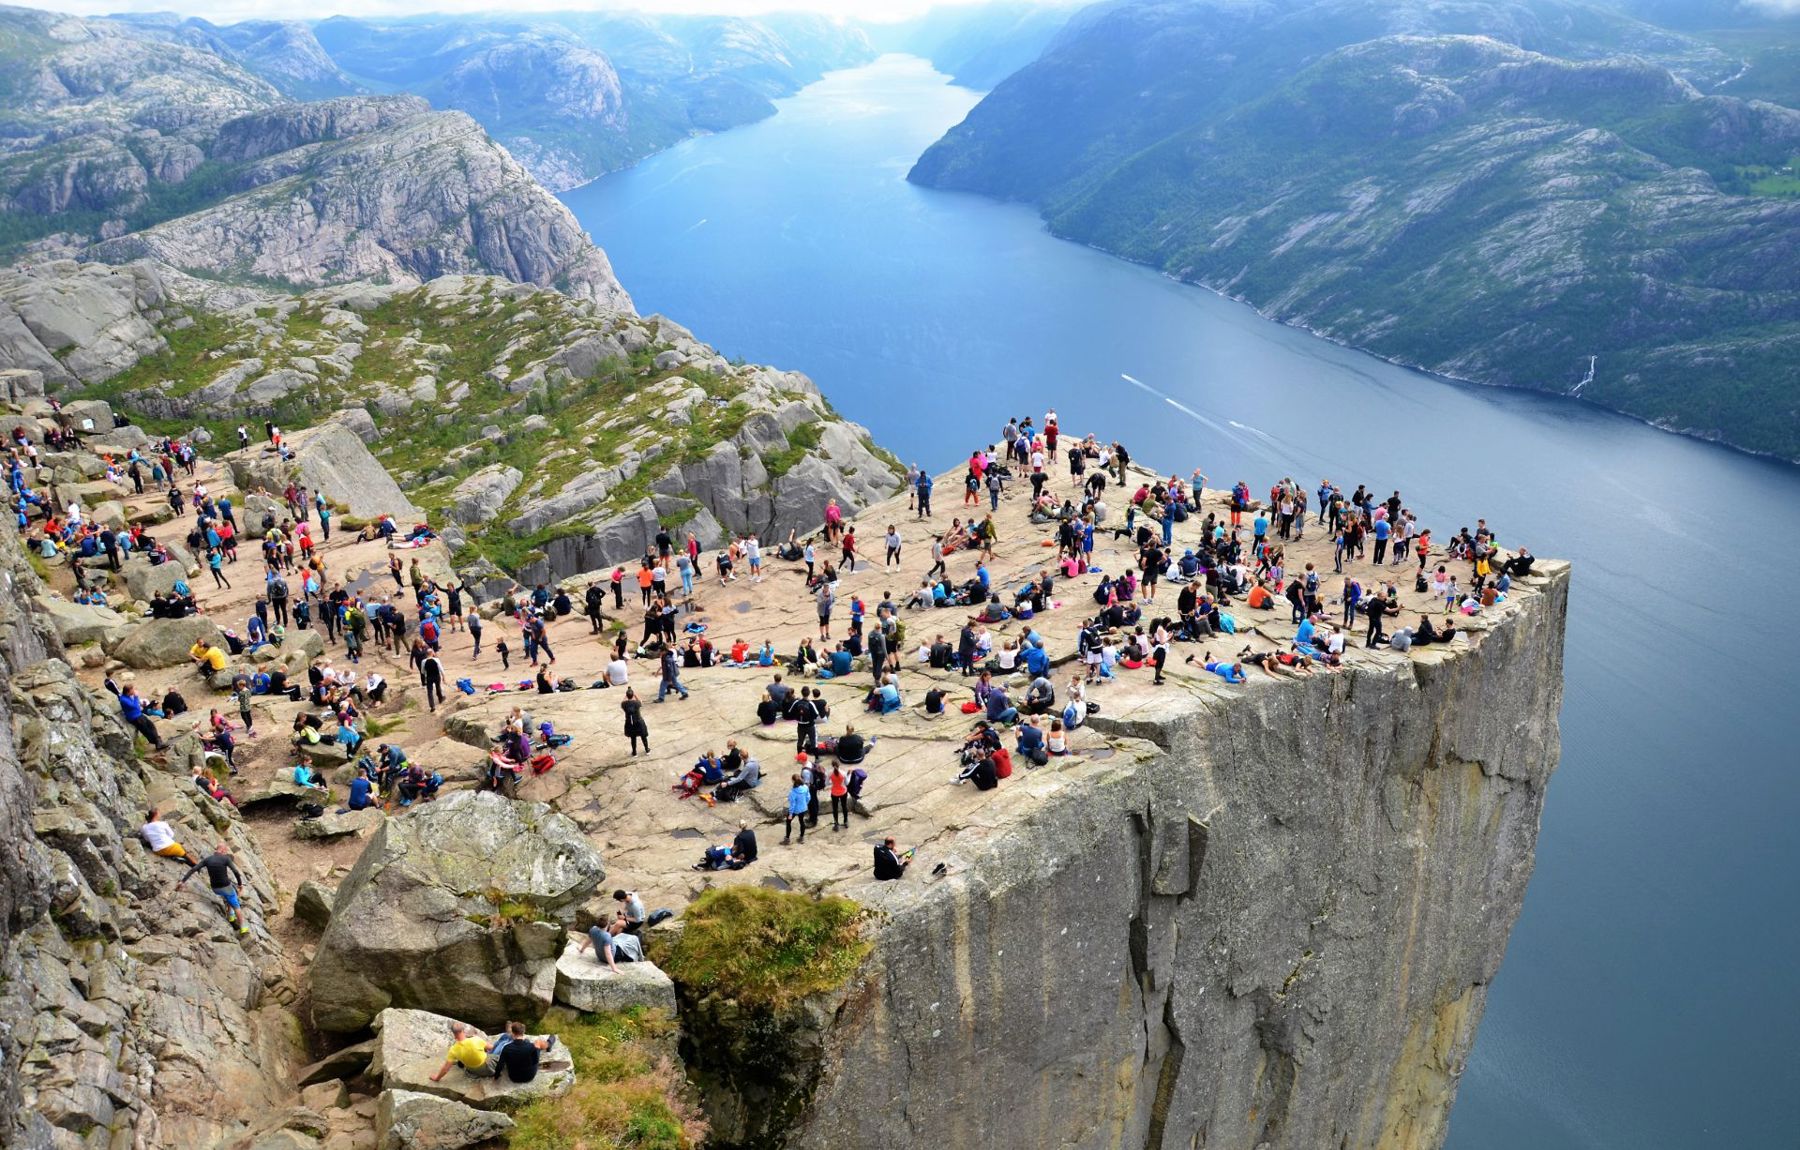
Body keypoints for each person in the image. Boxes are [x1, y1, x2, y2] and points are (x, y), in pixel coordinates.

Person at [172, 843, 250, 934]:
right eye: (225, 851)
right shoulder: (225, 858)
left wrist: (182, 881)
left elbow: (194, 869)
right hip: (226, 886)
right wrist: (240, 884)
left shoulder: (207, 860)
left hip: (215, 888)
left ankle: (231, 915)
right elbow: (236, 872)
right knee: (235, 903)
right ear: (223, 850)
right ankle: (242, 926)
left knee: (228, 894)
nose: (226, 852)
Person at [486, 1022, 557, 1083]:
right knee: (537, 1042)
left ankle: (508, 1033)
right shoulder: (532, 1047)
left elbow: (500, 1065)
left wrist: (496, 1077)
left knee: (524, 1042)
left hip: (514, 1077)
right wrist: (536, 1050)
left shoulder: (507, 1048)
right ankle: (549, 1044)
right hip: (529, 1076)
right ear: (523, 1032)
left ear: (513, 1033)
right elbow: (536, 1060)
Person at [579, 917, 643, 972]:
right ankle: (637, 956)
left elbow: (588, 940)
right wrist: (614, 968)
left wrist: (582, 950)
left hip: (599, 956)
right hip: (613, 957)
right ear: (607, 925)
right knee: (634, 940)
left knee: (622, 938)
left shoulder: (593, 929)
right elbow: (608, 954)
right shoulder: (606, 936)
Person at [784, 772, 809, 844]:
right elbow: (808, 797)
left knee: (788, 822)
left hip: (795, 810)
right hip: (803, 808)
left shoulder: (793, 792)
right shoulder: (805, 787)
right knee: (801, 821)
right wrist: (805, 804)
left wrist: (790, 814)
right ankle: (801, 837)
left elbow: (792, 804)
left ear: (793, 781)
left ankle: (787, 839)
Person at [622, 687, 649, 755]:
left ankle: (634, 752)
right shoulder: (637, 703)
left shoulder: (624, 704)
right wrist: (635, 695)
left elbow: (623, 701)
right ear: (633, 695)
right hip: (639, 721)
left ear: (627, 695)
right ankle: (647, 750)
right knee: (643, 736)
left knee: (633, 738)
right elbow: (641, 701)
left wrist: (626, 696)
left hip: (629, 723)